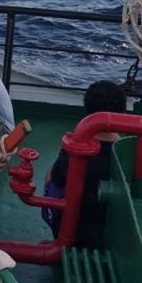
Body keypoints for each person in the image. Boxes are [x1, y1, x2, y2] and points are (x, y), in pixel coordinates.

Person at [43, 80, 126, 249]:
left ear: (88, 111)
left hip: (74, 232)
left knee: (51, 175)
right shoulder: (128, 152)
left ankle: (60, 241)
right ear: (123, 113)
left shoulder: (76, 148)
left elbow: (57, 177)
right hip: (116, 235)